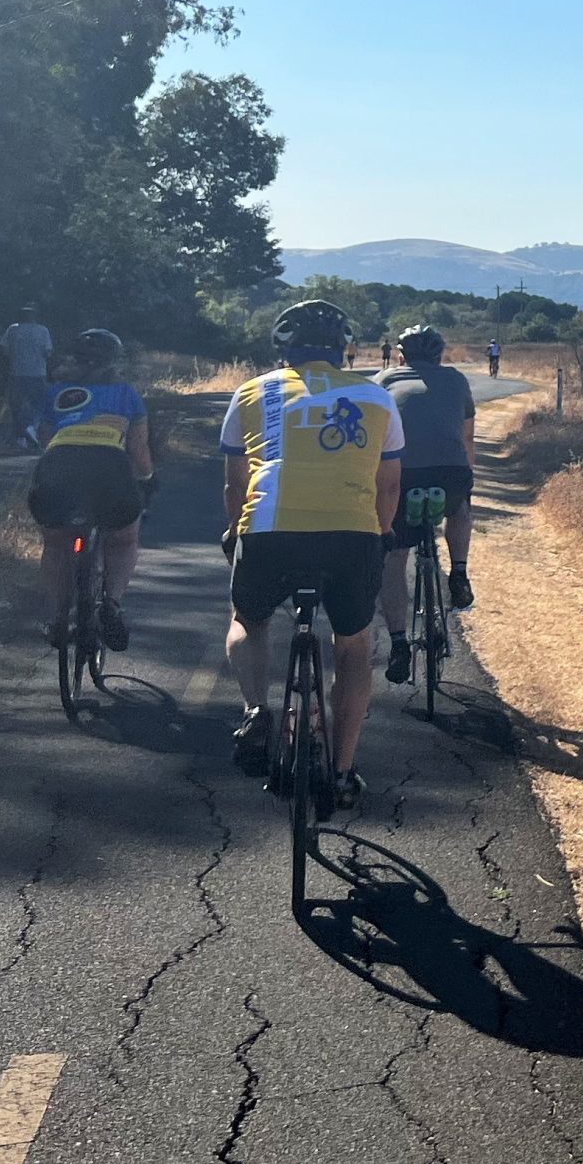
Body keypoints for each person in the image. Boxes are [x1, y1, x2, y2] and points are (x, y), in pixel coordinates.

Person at [219, 299, 402, 809]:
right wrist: (382, 535)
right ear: (343, 349)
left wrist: (236, 530)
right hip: (352, 535)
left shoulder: (251, 391)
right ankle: (343, 771)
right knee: (353, 647)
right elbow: (388, 486)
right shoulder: (376, 396)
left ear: (283, 347)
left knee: (247, 620)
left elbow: (236, 484)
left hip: (270, 531)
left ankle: (257, 709)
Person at [25, 329, 153, 650]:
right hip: (109, 466)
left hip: (59, 463)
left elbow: (43, 438)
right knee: (123, 540)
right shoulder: (126, 395)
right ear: (114, 363)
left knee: (56, 546)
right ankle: (110, 604)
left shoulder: (54, 392)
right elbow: (138, 447)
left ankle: (57, 619)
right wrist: (148, 478)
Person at [374, 325, 478, 682]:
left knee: (395, 555)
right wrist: (467, 480)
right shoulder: (457, 380)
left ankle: (399, 643)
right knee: (461, 509)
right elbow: (466, 436)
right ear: (439, 355)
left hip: (401, 476)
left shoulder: (384, 379)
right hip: (450, 471)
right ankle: (459, 573)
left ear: (401, 355)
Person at [0, 305, 54, 452]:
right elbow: (48, 352)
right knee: (38, 405)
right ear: (34, 317)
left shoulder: (13, 329)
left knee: (16, 406)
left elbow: (4, 350)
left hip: (16, 373)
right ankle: (31, 429)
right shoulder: (42, 330)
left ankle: (20, 439)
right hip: (37, 373)